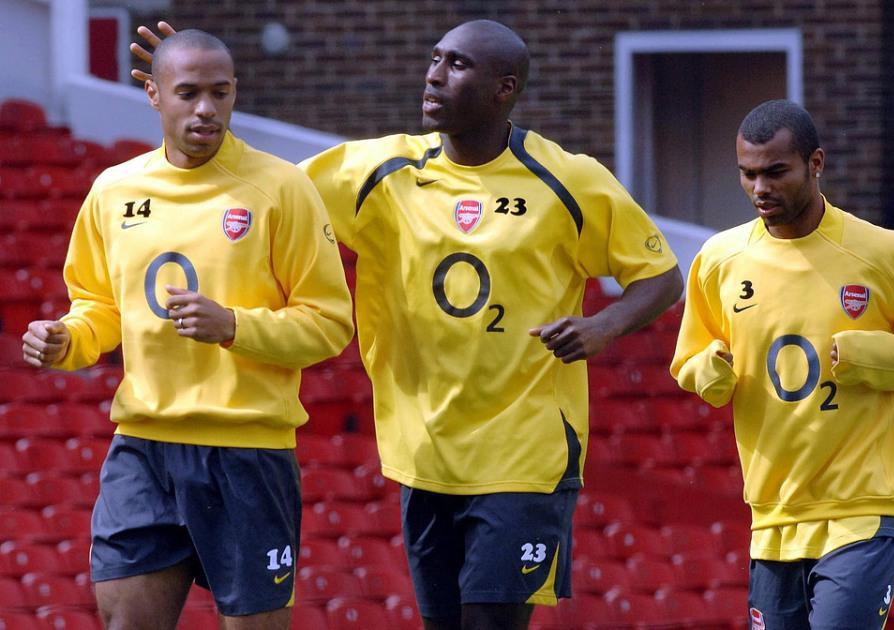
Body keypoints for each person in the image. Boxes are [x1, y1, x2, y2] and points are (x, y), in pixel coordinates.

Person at [131, 18, 682, 630]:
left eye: (457, 65)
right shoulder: (380, 170)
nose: (434, 75)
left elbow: (661, 277)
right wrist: (187, 87)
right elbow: (270, 189)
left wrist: (604, 327)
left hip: (526, 455)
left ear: (504, 88)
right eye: (435, 58)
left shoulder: (569, 179)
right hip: (422, 455)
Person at [22, 30, 354, 630]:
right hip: (143, 447)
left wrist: (233, 326)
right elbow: (98, 306)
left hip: (248, 453)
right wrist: (68, 339)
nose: (206, 109)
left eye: (220, 93)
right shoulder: (114, 190)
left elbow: (330, 324)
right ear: (153, 94)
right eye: (188, 93)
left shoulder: (281, 188)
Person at [670, 99, 894, 630]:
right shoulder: (718, 260)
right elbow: (688, 358)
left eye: (776, 172)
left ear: (816, 164)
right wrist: (710, 370)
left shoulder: (885, 253)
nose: (760, 188)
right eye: (748, 174)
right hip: (772, 517)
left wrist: (868, 355)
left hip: (863, 509)